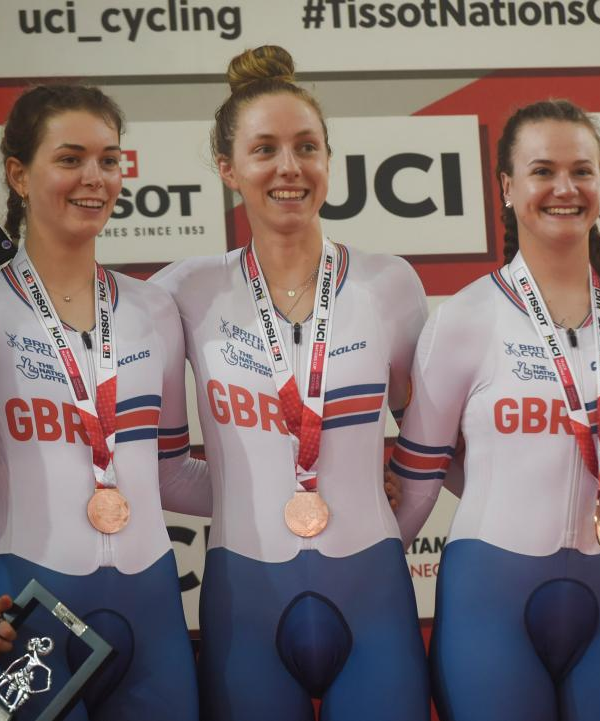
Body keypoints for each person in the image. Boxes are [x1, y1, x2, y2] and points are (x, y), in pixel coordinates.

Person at [150, 45, 430, 721]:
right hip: (244, 599)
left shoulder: (390, 283)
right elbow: (161, 469)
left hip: (374, 593)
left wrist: (379, 510)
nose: (289, 167)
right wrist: (250, 490)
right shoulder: (183, 291)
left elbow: (430, 449)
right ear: (227, 168)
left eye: (307, 147)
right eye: (264, 149)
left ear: (328, 160)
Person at [0, 85, 206, 720]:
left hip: (153, 616)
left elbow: (171, 475)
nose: (94, 178)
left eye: (109, 160)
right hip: (19, 610)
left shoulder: (155, 309)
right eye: (70, 159)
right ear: (19, 176)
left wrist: (316, 487)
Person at [390, 98, 600, 721]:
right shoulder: (464, 318)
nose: (565, 188)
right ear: (507, 187)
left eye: (582, 171)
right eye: (543, 171)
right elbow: (417, 487)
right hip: (491, 606)